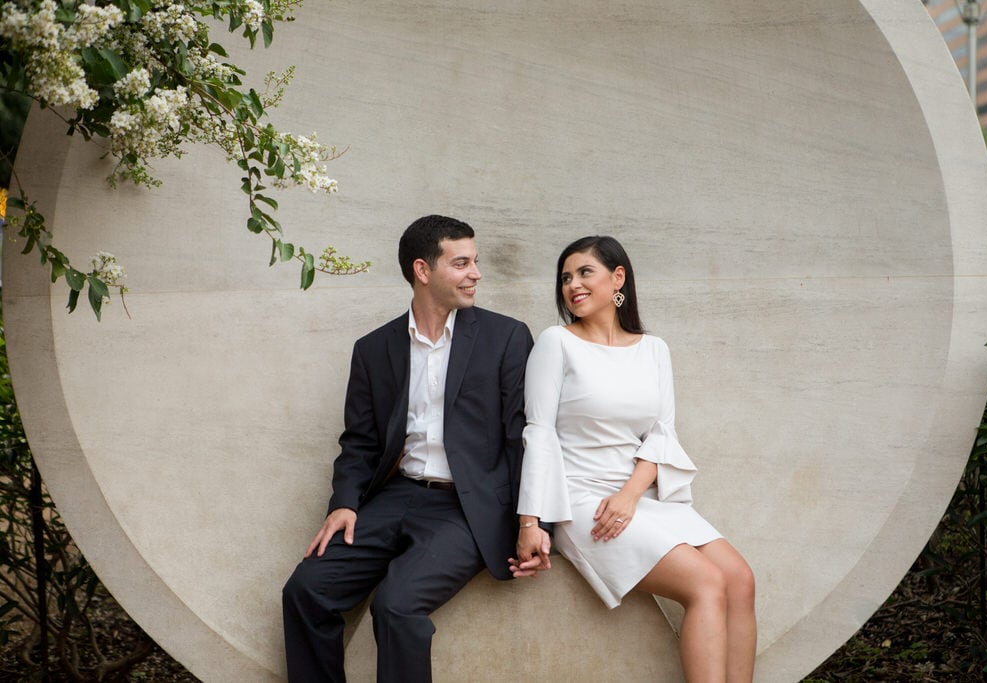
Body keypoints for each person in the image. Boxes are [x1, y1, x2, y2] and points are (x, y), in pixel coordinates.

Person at [283, 215, 535, 683]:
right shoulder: (374, 349)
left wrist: (532, 522)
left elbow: (522, 438)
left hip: (466, 505)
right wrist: (343, 503)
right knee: (306, 589)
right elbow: (358, 441)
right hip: (394, 496)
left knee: (396, 605)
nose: (475, 273)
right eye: (461, 263)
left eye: (475, 262)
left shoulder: (506, 338)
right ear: (423, 270)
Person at [509, 235, 756, 682]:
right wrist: (531, 522)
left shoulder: (654, 349)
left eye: (585, 272)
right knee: (706, 583)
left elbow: (661, 436)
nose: (572, 285)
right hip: (583, 501)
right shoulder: (556, 342)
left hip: (636, 496)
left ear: (617, 277)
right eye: (565, 277)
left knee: (740, 579)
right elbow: (539, 433)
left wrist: (630, 495)